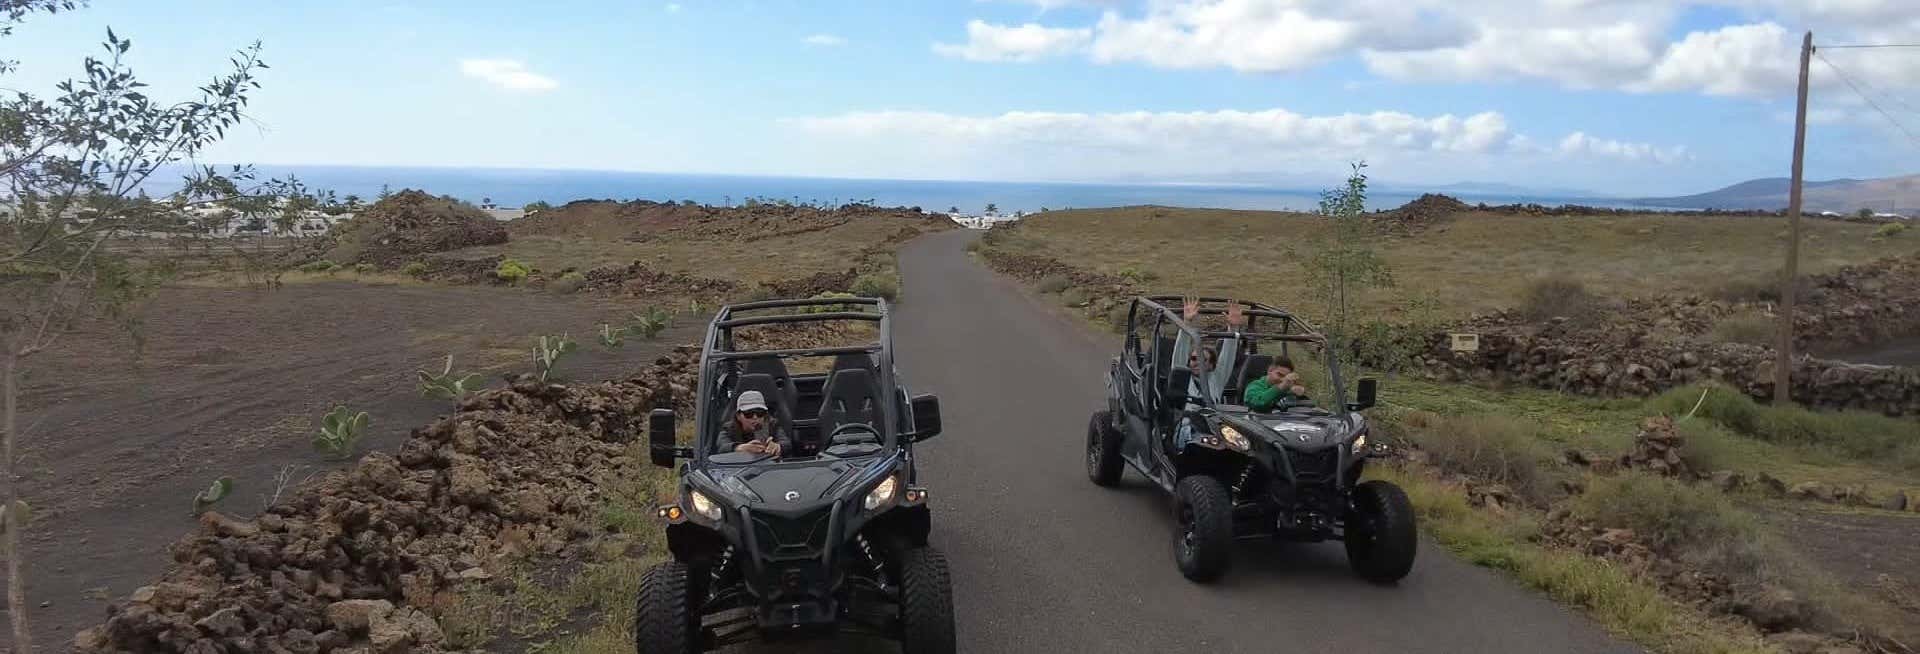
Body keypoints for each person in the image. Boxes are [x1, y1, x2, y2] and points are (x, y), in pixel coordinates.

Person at [722, 390, 790, 457]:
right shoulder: (729, 429)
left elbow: (786, 442)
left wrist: (777, 446)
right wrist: (739, 448)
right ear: (738, 416)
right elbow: (722, 446)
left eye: (760, 413)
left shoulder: (772, 424)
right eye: (749, 414)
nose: (755, 417)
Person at [1243, 357, 1309, 412]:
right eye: (1280, 375)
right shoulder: (1254, 386)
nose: (1283, 380)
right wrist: (1280, 387)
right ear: (1270, 371)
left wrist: (1300, 392)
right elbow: (1259, 403)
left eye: (1286, 377)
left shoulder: (1287, 388)